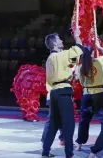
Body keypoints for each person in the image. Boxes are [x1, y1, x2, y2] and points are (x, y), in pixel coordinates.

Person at [41, 28, 83, 158]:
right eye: (59, 39)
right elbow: (79, 48)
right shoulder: (60, 55)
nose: (62, 40)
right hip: (63, 92)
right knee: (68, 124)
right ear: (54, 44)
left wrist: (73, 70)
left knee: (53, 123)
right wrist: (77, 36)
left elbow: (71, 62)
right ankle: (69, 154)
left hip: (54, 92)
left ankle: (45, 152)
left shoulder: (50, 58)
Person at [75, 44, 103, 151]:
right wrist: (101, 48)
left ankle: (80, 143)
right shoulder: (100, 61)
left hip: (87, 94)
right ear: (92, 53)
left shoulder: (81, 66)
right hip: (99, 94)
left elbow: (81, 82)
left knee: (84, 120)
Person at [41, 81, 64, 147]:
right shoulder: (53, 72)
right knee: (52, 119)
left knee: (62, 118)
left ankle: (63, 138)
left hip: (62, 95)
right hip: (55, 95)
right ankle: (45, 141)